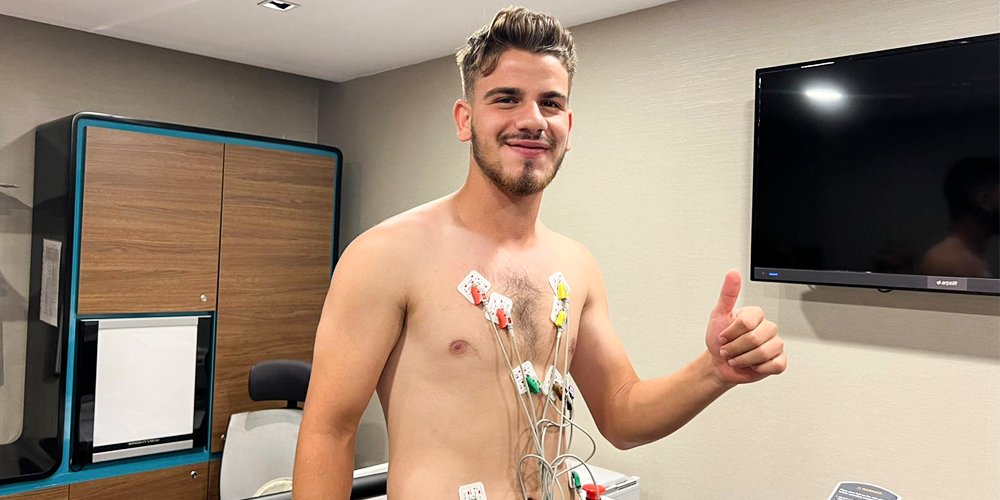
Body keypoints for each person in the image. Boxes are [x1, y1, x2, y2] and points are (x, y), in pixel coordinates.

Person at [293, 6, 787, 499]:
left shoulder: (576, 266)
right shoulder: (387, 255)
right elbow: (328, 434)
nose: (532, 120)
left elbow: (621, 414)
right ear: (465, 119)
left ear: (567, 126)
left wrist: (713, 370)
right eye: (506, 99)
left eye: (550, 103)